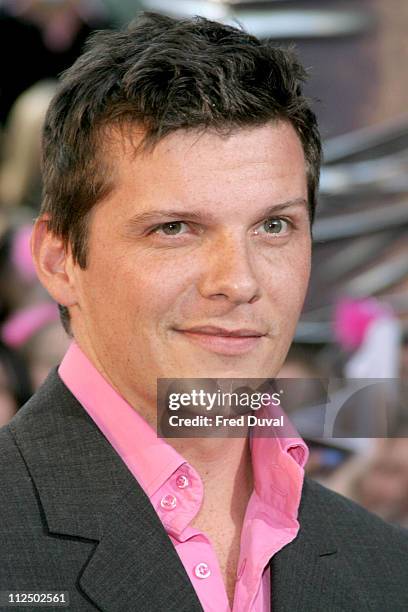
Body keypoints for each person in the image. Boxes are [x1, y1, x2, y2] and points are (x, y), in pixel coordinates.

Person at [0, 12, 407, 612]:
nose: (238, 282)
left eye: (274, 226)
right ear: (60, 260)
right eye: (175, 229)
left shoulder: (387, 568)